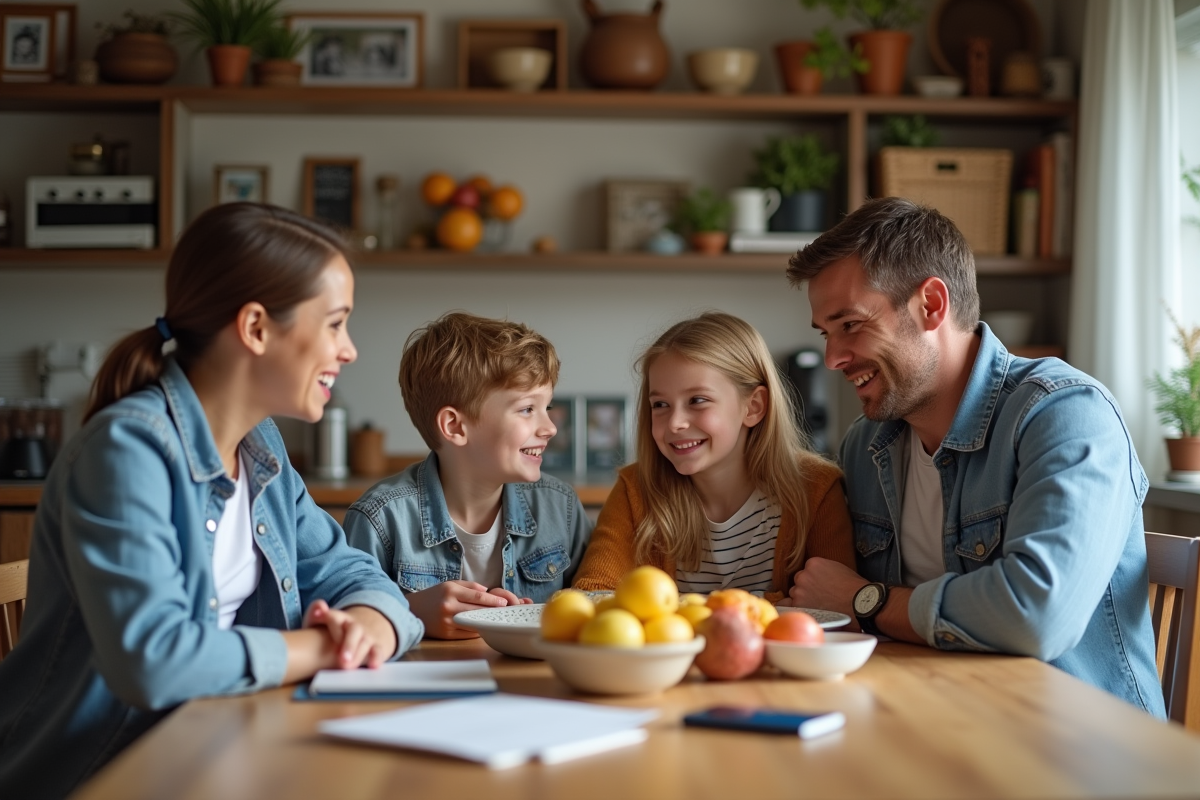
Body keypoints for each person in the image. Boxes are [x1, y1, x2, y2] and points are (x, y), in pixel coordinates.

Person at [0, 203, 424, 799]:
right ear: (255, 328)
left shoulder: (260, 447)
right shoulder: (127, 451)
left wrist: (370, 623)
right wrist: (323, 647)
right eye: (334, 324)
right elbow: (156, 661)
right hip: (99, 778)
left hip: (214, 753)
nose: (348, 350)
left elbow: (353, 573)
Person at [786, 196, 1165, 716]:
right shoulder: (865, 446)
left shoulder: (1065, 414)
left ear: (931, 305)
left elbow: (1038, 615)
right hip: (937, 722)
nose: (832, 358)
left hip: (1076, 742)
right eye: (826, 334)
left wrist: (865, 600)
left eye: (849, 325)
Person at [573, 311, 855, 600]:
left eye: (697, 400)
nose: (675, 423)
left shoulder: (816, 489)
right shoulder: (635, 490)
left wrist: (680, 610)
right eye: (660, 404)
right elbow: (592, 598)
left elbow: (835, 607)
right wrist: (776, 603)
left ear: (754, 407)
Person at [343, 312, 592, 639]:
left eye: (547, 407)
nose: (550, 428)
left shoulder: (561, 507)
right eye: (527, 409)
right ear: (455, 426)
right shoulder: (380, 520)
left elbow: (593, 609)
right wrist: (411, 611)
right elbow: (348, 625)